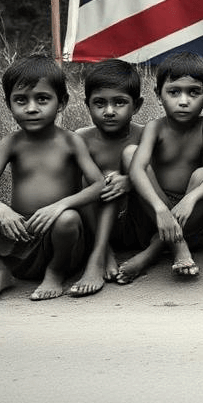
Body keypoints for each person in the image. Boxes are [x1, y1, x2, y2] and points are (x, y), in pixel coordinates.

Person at [0, 54, 104, 303]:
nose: (31, 108)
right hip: (19, 235)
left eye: (42, 99)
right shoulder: (11, 143)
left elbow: (98, 185)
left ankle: (55, 273)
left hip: (59, 239)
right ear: (8, 104)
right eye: (21, 100)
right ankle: (0, 271)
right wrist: (2, 210)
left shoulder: (70, 141)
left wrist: (60, 205)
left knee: (68, 218)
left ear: (62, 102)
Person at [118, 51, 203, 283]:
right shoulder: (155, 128)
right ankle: (178, 246)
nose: (183, 101)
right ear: (159, 95)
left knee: (202, 174)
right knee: (130, 154)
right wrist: (160, 209)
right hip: (154, 217)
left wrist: (190, 199)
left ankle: (154, 251)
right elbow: (136, 169)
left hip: (194, 221)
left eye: (194, 92)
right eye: (174, 92)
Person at [69, 58, 145, 296]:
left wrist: (130, 181)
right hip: (94, 225)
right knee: (94, 178)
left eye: (119, 102)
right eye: (99, 103)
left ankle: (102, 252)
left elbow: (158, 180)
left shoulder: (145, 135)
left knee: (114, 176)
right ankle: (104, 252)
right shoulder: (81, 139)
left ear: (137, 105)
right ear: (87, 105)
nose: (109, 111)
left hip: (135, 225)